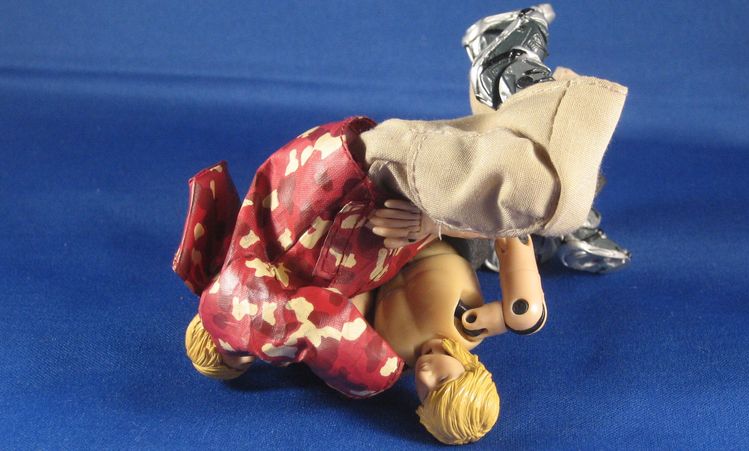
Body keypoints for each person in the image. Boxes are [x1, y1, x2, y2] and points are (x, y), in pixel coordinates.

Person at [174, 3, 626, 444]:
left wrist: (270, 332)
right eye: (442, 382)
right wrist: (436, 225)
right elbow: (515, 250)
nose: (426, 376)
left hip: (378, 208)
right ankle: (513, 86)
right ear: (471, 370)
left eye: (425, 393)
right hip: (435, 215)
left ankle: (521, 113)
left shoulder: (382, 353)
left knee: (519, 173)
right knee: (542, 198)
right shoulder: (468, 325)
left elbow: (332, 306)